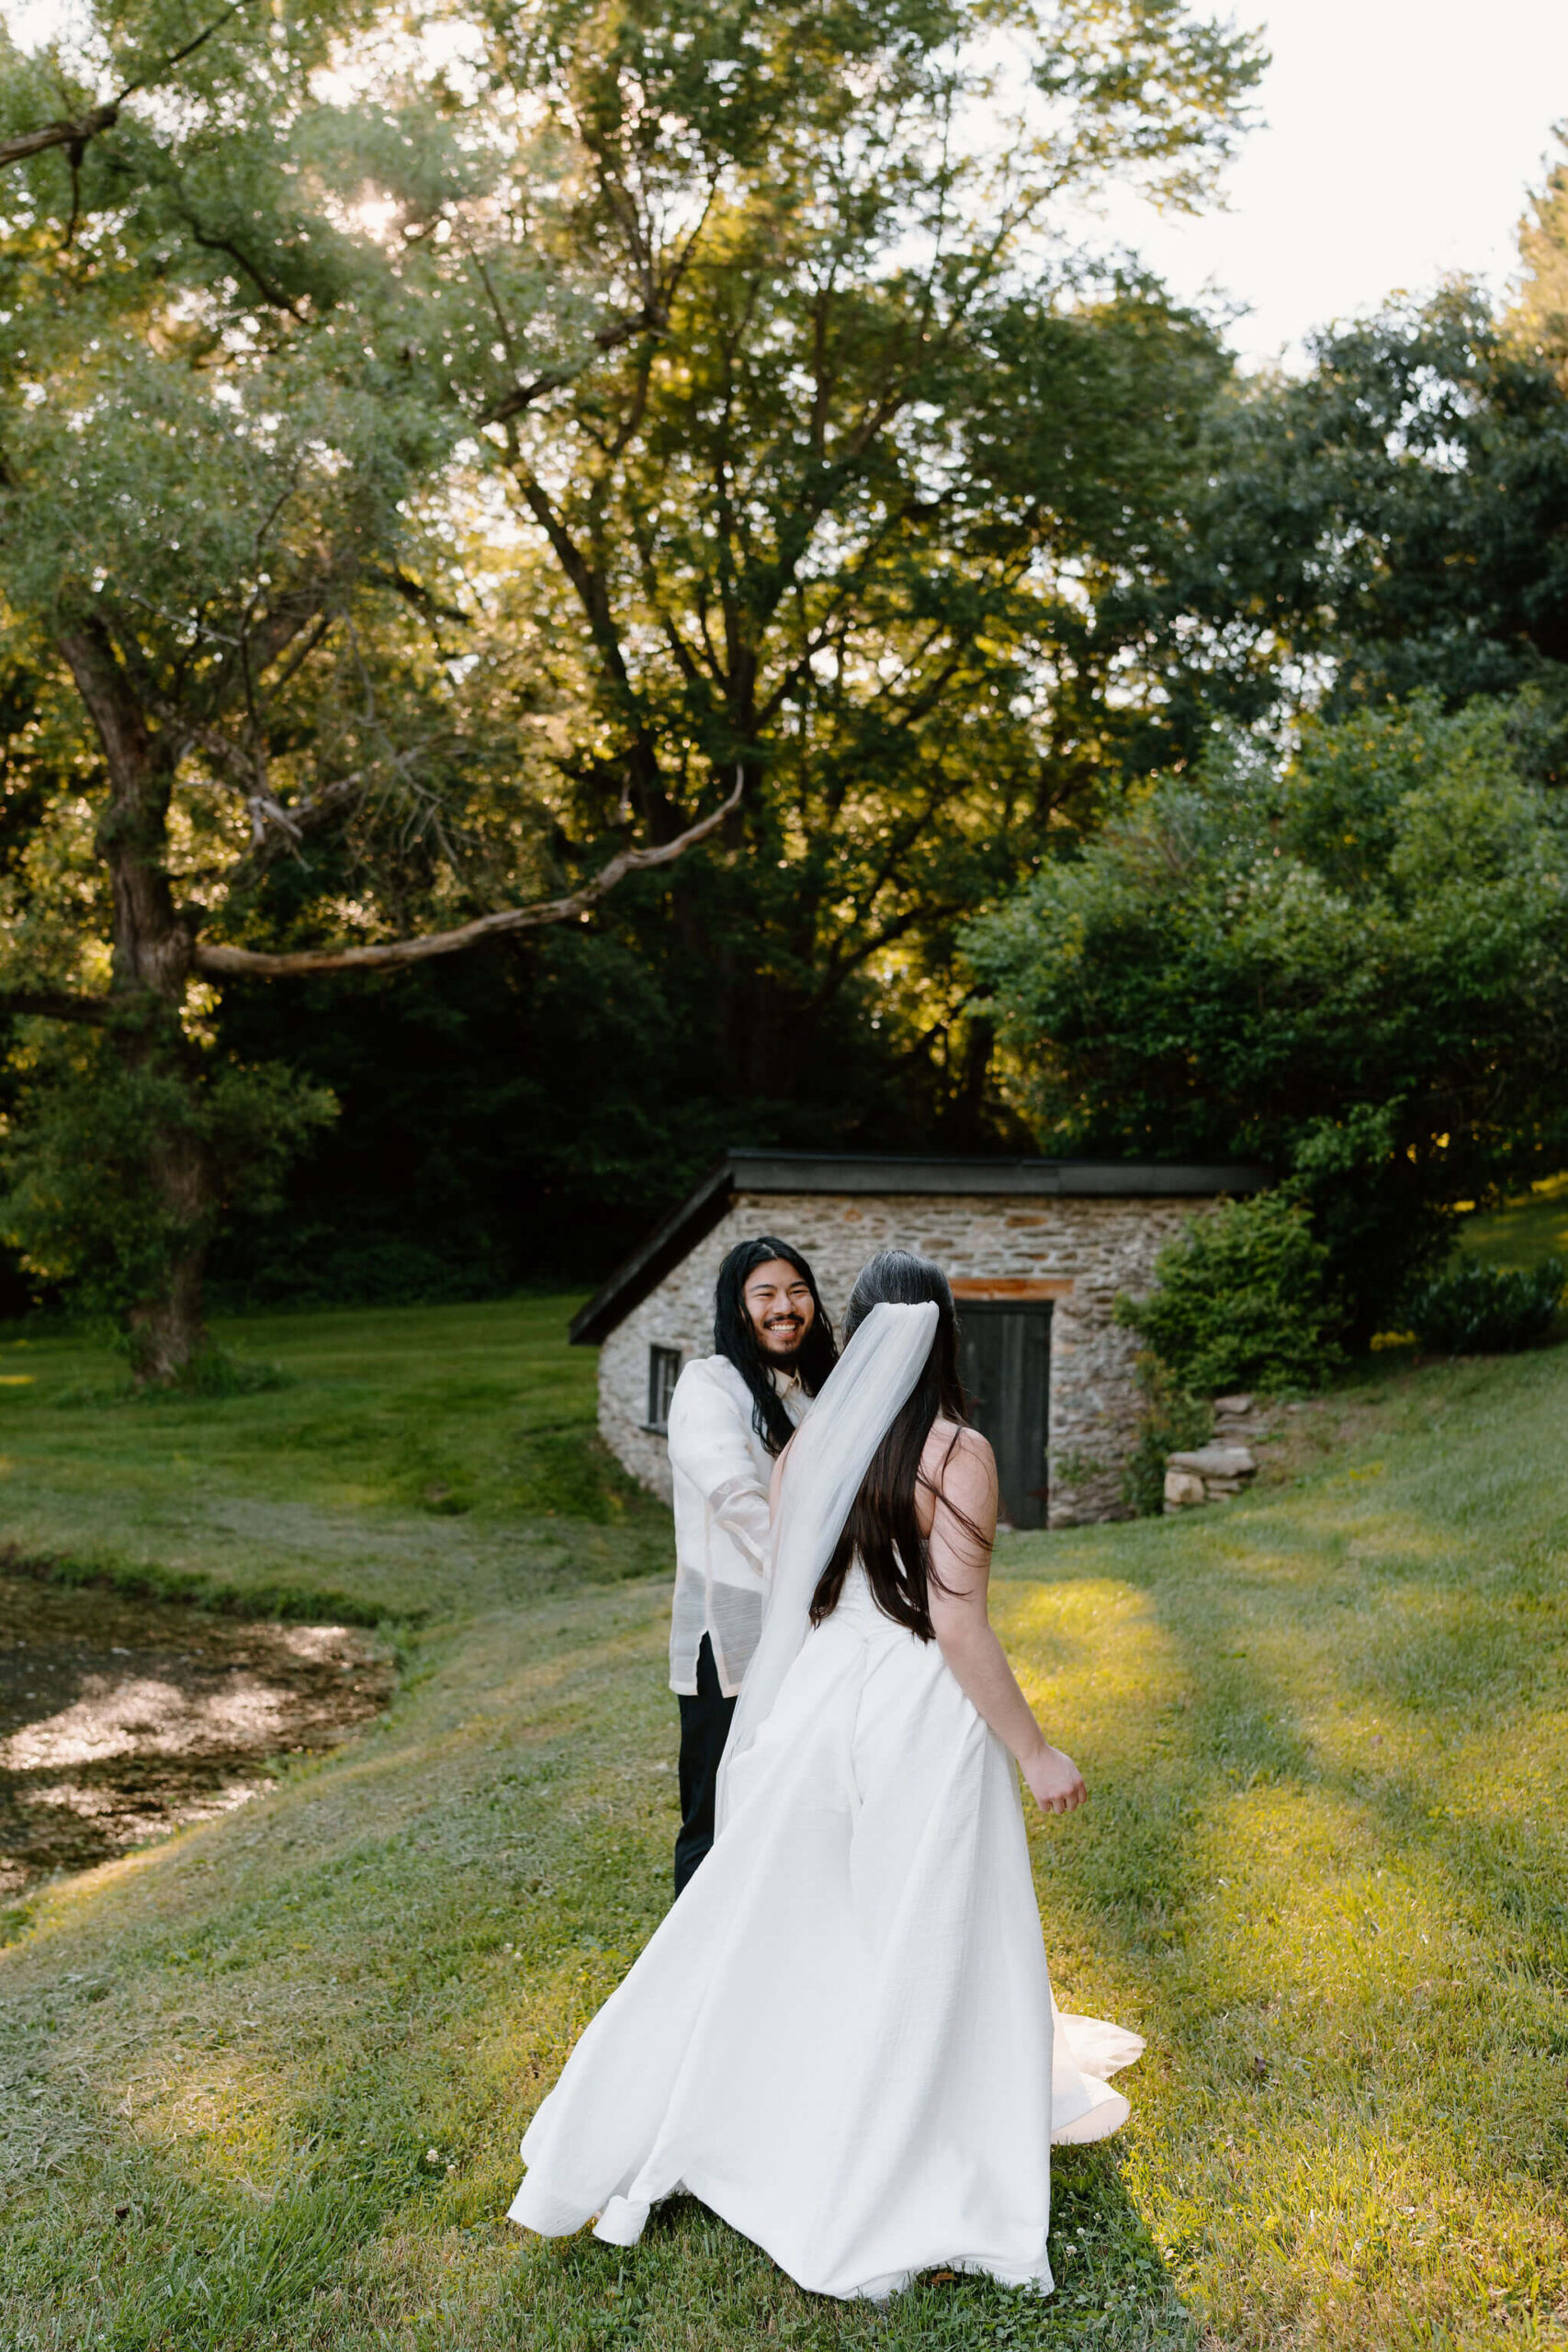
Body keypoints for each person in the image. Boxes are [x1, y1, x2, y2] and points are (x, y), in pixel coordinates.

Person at [507, 1248, 1142, 2300]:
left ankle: (775, 2095)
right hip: (916, 1707)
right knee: (920, 1917)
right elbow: (955, 1622)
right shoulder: (958, 1453)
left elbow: (798, 1596)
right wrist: (1036, 1749)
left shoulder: (807, 1450)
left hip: (818, 1696)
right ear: (943, 1332)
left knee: (816, 1916)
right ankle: (903, 2124)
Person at [664, 1236, 838, 1893]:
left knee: (796, 1800)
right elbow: (735, 1499)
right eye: (764, 1293)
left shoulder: (820, 1393)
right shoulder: (710, 1385)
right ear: (737, 1308)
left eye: (796, 1291)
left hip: (817, 1631)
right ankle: (692, 1982)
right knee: (714, 1815)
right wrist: (813, 1578)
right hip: (733, 1638)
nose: (784, 1306)